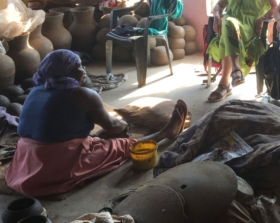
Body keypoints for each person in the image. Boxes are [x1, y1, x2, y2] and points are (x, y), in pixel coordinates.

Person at [6, 50, 187, 197]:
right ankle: (166, 133)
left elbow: (58, 126)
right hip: (53, 164)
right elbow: (113, 127)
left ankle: (90, 144)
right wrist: (122, 126)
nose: (84, 70)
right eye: (78, 66)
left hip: (25, 160)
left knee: (93, 138)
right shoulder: (82, 94)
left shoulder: (36, 90)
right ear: (66, 71)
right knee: (122, 143)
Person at [206, 0, 278, 102]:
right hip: (230, 24)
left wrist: (262, 19)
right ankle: (235, 71)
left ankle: (225, 83)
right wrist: (217, 15)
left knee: (227, 26)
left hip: (250, 29)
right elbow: (219, 5)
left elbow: (274, 7)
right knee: (227, 23)